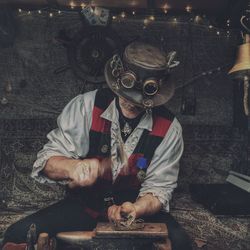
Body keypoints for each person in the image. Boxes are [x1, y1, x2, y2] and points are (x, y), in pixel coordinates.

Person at [2, 42, 192, 250]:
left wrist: (136, 209)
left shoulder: (170, 128)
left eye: (141, 98)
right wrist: (72, 167)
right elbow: (47, 161)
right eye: (127, 95)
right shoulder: (85, 106)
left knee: (181, 243)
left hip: (133, 212)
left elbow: (159, 188)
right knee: (17, 235)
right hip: (84, 207)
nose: (132, 102)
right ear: (117, 80)